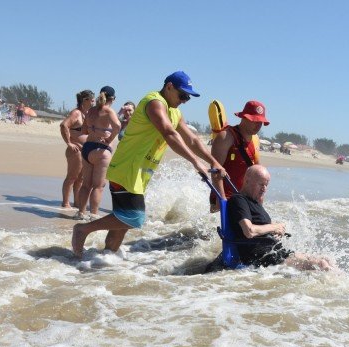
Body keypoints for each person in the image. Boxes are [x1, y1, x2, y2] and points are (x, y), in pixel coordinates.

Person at [71, 71, 226, 257]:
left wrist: (214, 161)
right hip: (127, 168)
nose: (185, 100)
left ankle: (106, 257)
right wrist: (195, 162)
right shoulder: (155, 103)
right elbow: (169, 134)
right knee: (134, 218)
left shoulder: (175, 112)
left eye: (189, 97)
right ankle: (83, 229)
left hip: (139, 172)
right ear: (169, 87)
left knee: (121, 224)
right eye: (183, 95)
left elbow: (192, 139)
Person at [227, 165, 334, 271]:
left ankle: (346, 284)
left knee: (326, 259)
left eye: (266, 185)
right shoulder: (239, 200)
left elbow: (261, 225)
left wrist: (277, 229)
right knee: (321, 264)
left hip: (274, 252)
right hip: (263, 257)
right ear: (247, 181)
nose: (264, 189)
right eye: (261, 184)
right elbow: (249, 230)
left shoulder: (254, 201)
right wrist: (274, 227)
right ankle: (339, 285)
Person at [209, 100, 269, 212]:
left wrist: (259, 200)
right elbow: (215, 171)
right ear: (244, 118)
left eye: (261, 122)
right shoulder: (226, 137)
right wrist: (221, 199)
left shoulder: (255, 140)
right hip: (223, 198)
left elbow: (257, 173)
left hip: (244, 201)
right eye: (255, 120)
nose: (258, 125)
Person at [73, 86, 119, 220]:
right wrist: (109, 138)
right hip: (101, 150)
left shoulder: (91, 111)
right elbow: (117, 126)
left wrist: (94, 132)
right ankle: (93, 215)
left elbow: (84, 131)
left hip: (88, 148)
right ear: (113, 99)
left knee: (86, 184)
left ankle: (80, 213)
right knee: (98, 186)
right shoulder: (109, 111)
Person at [58, 89, 94, 209]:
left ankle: (77, 202)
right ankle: (65, 203)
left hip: (85, 150)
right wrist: (69, 143)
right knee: (72, 177)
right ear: (85, 100)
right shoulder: (76, 113)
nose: (94, 102)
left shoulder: (88, 114)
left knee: (81, 179)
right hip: (75, 150)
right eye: (92, 100)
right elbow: (64, 125)